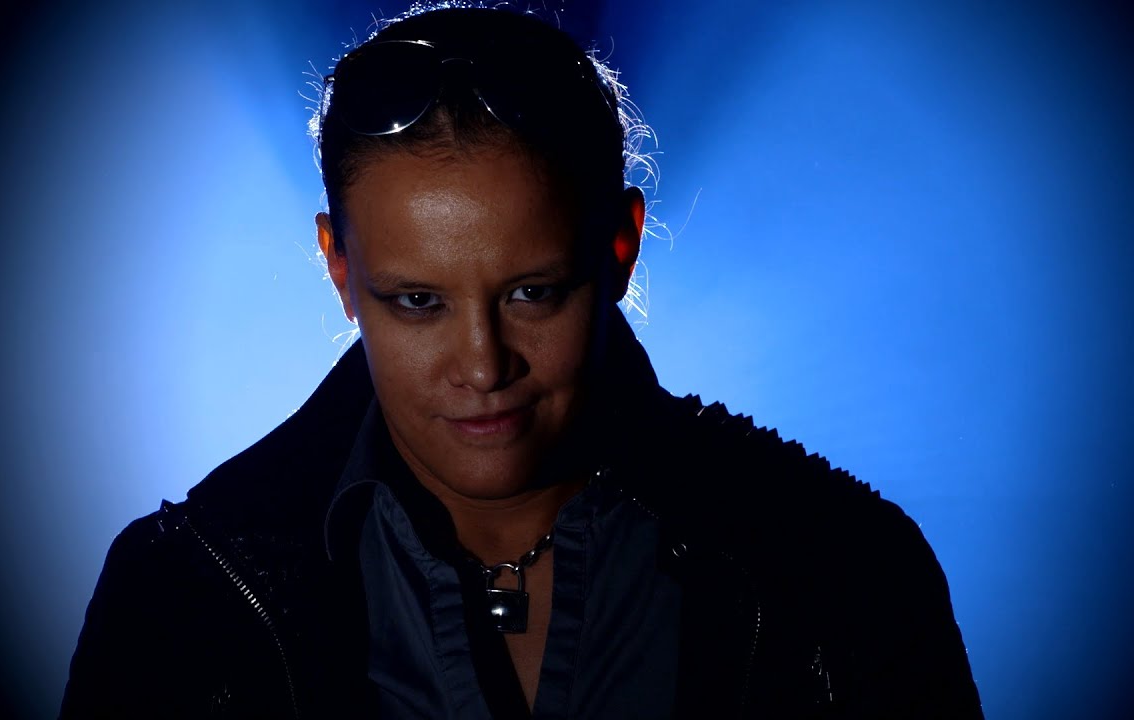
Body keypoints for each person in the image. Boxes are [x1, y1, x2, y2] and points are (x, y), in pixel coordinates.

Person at [60, 5, 983, 718]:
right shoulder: (179, 598)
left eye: (532, 291)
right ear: (339, 269)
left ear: (621, 248)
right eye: (417, 301)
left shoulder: (844, 572)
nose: (482, 364)